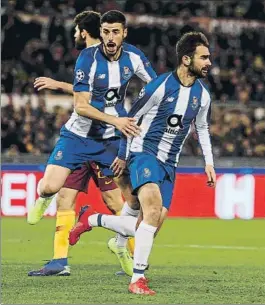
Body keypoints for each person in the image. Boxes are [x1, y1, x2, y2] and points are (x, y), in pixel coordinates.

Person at [69, 31, 217, 295]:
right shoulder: (159, 86)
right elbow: (131, 120)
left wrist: (209, 162)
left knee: (148, 225)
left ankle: (92, 219)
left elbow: (202, 128)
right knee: (150, 212)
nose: (209, 62)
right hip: (144, 154)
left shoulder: (203, 95)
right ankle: (137, 279)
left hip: (170, 165)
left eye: (209, 57)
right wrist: (124, 156)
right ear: (186, 59)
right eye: (203, 57)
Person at [28, 10, 157, 276]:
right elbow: (81, 105)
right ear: (100, 32)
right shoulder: (87, 58)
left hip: (110, 140)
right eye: (106, 31)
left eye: (116, 32)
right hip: (78, 136)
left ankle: (123, 248)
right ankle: (43, 197)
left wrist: (149, 113)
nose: (110, 37)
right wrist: (117, 120)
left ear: (124, 33)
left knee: (130, 200)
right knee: (51, 186)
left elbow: (156, 87)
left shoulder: (133, 57)